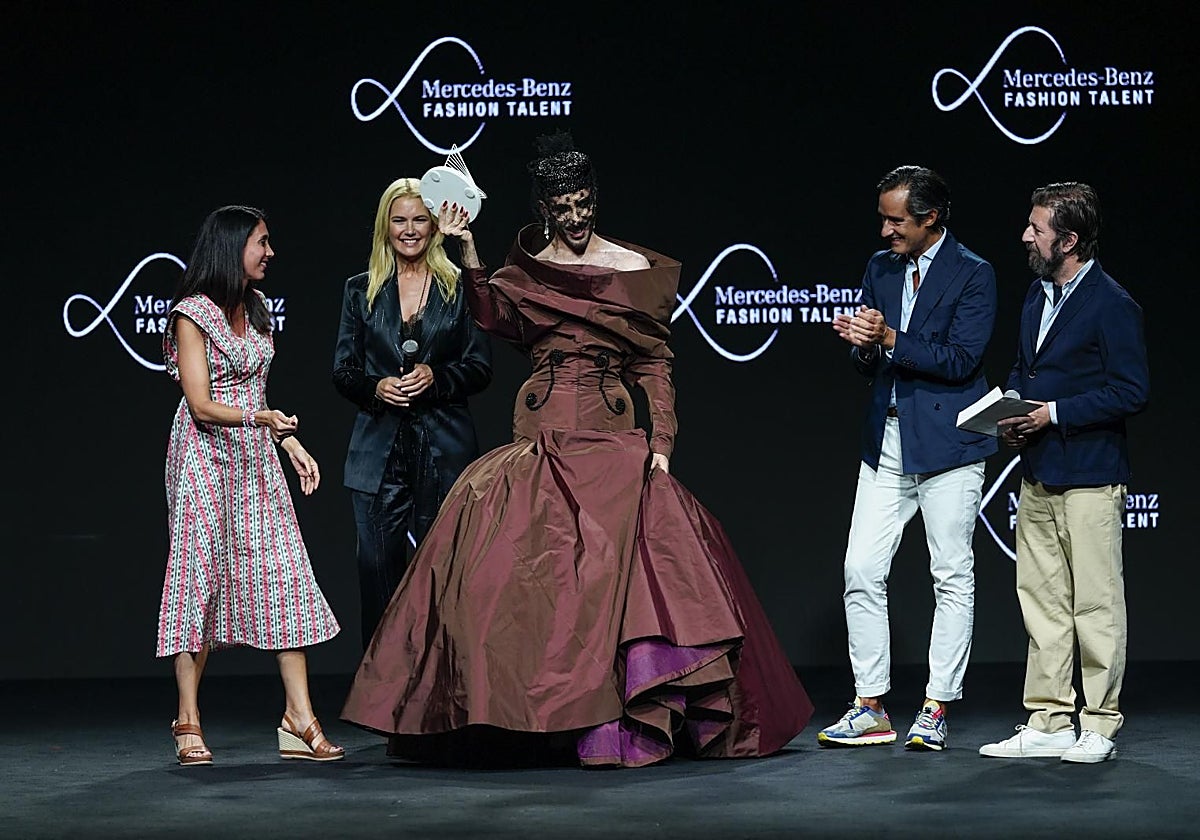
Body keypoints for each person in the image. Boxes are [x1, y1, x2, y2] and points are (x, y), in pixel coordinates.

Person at [342, 133, 813, 767]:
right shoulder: (528, 269)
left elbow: (654, 364)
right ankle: (517, 718)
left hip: (611, 435)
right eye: (562, 206)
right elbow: (494, 320)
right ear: (544, 208)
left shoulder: (631, 269)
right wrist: (470, 249)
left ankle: (620, 720)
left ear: (595, 198)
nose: (575, 216)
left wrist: (663, 444)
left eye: (583, 201)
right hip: (540, 429)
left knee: (620, 572)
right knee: (515, 574)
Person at [158, 205, 343, 766]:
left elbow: (258, 394)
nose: (270, 252)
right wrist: (262, 423)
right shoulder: (192, 314)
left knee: (285, 572)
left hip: (255, 457)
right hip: (203, 456)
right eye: (262, 242)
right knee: (199, 576)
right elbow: (200, 404)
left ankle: (299, 717)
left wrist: (288, 443)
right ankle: (187, 716)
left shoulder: (258, 308)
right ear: (232, 247)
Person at [825, 166, 997, 751]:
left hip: (950, 444)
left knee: (951, 574)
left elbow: (961, 361)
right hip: (889, 442)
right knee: (860, 569)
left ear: (931, 218)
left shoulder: (975, 274)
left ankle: (936, 707)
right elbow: (869, 364)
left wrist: (889, 338)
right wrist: (860, 345)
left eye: (895, 220)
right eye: (882, 218)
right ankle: (870, 704)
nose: (884, 231)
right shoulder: (880, 268)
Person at [979, 182, 1149, 764]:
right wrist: (1008, 413)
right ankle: (1049, 719)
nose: (1026, 235)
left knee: (1095, 604)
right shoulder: (1036, 295)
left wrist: (1054, 413)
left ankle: (1099, 723)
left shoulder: (1111, 303)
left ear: (1068, 240)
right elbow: (1029, 372)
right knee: (1042, 601)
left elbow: (1132, 390)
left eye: (1037, 228)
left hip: (1091, 474)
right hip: (1039, 471)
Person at [333, 178, 492, 648]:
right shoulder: (360, 290)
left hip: (444, 448)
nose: (409, 230)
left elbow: (480, 367)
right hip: (378, 450)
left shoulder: (460, 288)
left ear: (435, 225)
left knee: (448, 572)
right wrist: (376, 386)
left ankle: (445, 690)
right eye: (398, 220)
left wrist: (436, 378)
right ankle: (383, 693)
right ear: (385, 226)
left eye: (419, 219)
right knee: (376, 573)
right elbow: (343, 371)